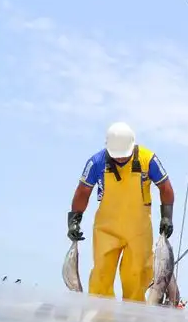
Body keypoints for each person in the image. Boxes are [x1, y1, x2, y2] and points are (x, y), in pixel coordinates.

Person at [67, 122, 175, 302]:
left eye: (124, 157)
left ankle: (134, 321)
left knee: (136, 276)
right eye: (116, 157)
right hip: (106, 231)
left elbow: (166, 187)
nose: (120, 160)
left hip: (139, 231)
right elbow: (82, 191)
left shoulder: (148, 159)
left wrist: (167, 217)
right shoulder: (96, 162)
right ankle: (100, 320)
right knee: (101, 275)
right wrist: (74, 220)